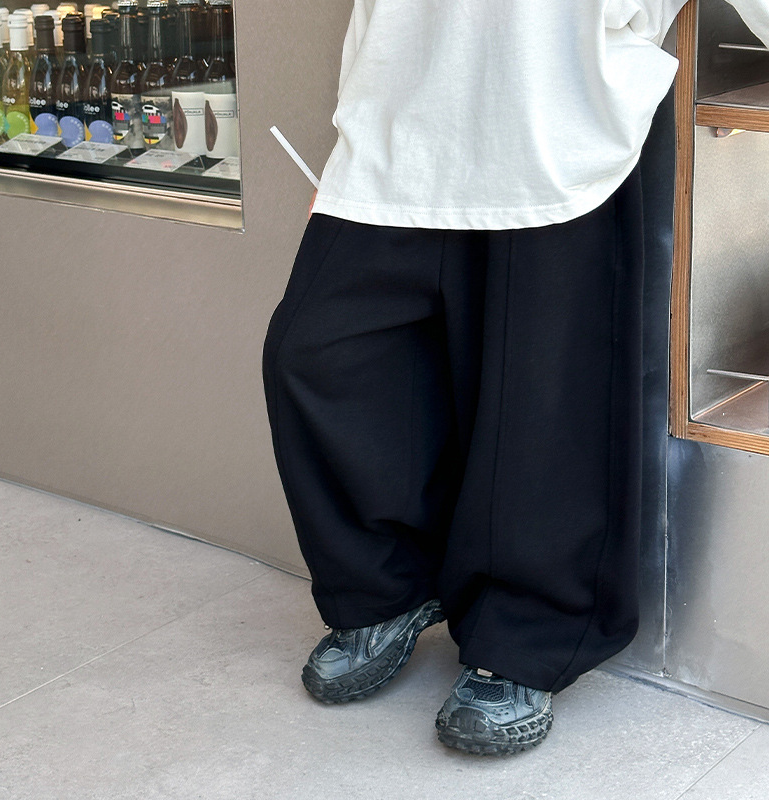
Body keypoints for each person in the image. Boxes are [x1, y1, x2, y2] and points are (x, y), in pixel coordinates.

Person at [263, 0, 769, 755]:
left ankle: (524, 636)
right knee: (315, 354)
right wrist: (350, 130)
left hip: (556, 132)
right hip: (396, 129)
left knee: (540, 408)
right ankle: (386, 589)